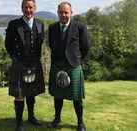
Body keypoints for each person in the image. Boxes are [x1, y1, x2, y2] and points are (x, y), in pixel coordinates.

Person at [48, 2, 90, 131]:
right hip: (57, 65)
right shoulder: (52, 28)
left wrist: (77, 61)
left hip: (73, 66)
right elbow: (51, 45)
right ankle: (57, 118)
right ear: (58, 13)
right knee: (57, 96)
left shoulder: (80, 27)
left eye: (66, 12)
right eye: (61, 12)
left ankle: (80, 122)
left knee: (76, 98)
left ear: (71, 13)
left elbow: (86, 47)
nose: (63, 15)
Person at [5, 0, 45, 131]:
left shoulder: (40, 24)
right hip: (20, 63)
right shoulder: (14, 24)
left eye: (31, 7)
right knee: (20, 93)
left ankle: (31, 117)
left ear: (35, 8)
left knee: (32, 92)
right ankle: (19, 123)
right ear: (22, 8)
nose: (28, 10)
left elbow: (40, 44)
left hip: (34, 63)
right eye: (26, 7)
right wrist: (15, 58)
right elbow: (8, 44)